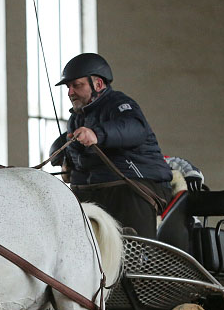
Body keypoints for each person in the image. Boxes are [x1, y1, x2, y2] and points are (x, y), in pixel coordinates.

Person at [53, 53, 172, 238]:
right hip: (94, 189)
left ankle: (138, 257)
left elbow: (134, 128)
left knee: (128, 210)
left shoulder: (120, 104)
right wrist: (66, 158)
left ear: (98, 84)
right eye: (68, 87)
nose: (70, 92)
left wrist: (96, 134)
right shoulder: (75, 119)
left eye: (77, 85)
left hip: (134, 183)